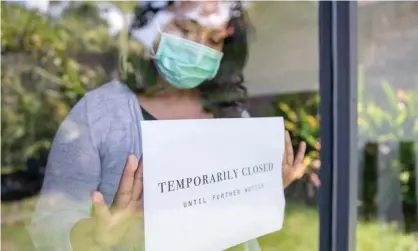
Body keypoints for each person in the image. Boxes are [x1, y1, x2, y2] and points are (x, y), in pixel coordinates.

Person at [28, 1, 313, 251]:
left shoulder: (235, 117)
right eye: (185, 30)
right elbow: (50, 223)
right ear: (152, 30)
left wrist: (266, 185)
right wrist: (96, 235)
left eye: (214, 39)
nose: (198, 49)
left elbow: (237, 218)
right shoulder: (99, 113)